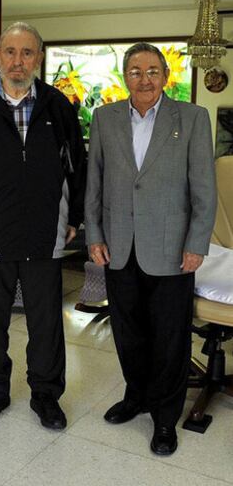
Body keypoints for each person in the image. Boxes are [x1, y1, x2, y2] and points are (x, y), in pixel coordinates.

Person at [85, 42, 217, 456]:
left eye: (152, 71)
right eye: (136, 71)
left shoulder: (192, 118)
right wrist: (94, 235)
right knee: (128, 332)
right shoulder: (104, 117)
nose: (145, 78)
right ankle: (136, 396)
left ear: (166, 76)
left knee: (170, 338)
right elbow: (95, 183)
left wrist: (197, 244)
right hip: (119, 247)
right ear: (125, 77)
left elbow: (204, 190)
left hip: (173, 251)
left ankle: (165, 417)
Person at [0, 22, 86, 430]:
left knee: (46, 321)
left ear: (39, 58)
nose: (18, 61)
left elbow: (76, 165)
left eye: (27, 52)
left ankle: (46, 395)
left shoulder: (58, 104)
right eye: (10, 52)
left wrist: (77, 217)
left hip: (45, 228)